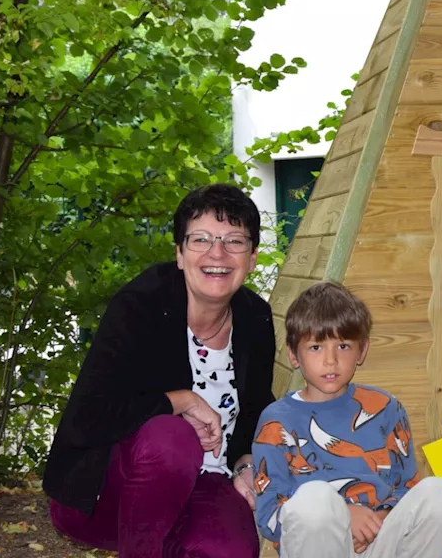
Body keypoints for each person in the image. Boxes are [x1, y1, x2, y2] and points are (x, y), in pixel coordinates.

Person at [44, 183, 275, 557]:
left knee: (230, 550)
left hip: (204, 484)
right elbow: (86, 419)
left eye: (234, 241)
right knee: (172, 438)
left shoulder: (256, 318)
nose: (217, 253)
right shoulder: (141, 307)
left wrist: (246, 463)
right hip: (107, 493)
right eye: (200, 239)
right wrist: (178, 401)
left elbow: (255, 410)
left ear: (252, 258)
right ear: (180, 254)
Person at [251, 281, 442, 558]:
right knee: (315, 499)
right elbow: (269, 515)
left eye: (343, 346)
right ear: (293, 355)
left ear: (362, 350)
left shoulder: (385, 408)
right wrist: (345, 516)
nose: (330, 360)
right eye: (316, 347)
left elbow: (405, 486)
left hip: (382, 538)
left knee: (441, 494)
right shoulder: (276, 421)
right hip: (317, 544)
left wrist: (377, 521)